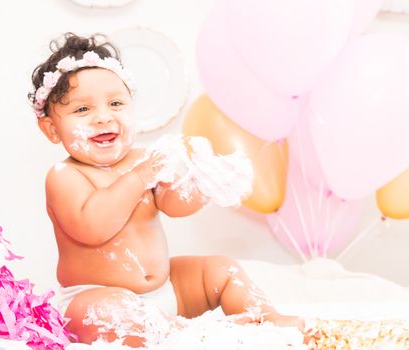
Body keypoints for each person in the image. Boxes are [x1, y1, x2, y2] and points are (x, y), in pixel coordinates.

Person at [29, 32, 305, 346]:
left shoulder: (143, 158)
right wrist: (139, 177)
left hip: (166, 290)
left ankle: (264, 317)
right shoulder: (65, 175)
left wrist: (202, 183)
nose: (103, 117)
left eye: (116, 103)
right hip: (97, 297)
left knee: (220, 268)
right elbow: (93, 228)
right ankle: (189, 334)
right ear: (52, 129)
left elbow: (174, 205)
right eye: (83, 110)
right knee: (105, 312)